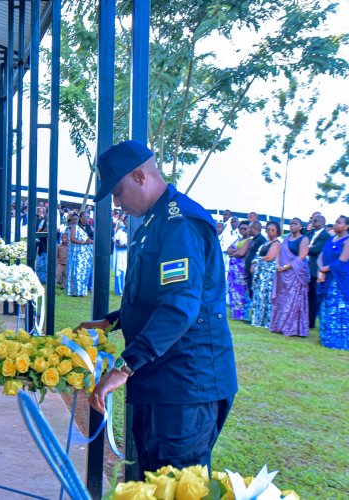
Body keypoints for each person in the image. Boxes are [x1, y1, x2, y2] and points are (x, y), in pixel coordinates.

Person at [78, 140, 237, 478]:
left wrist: (124, 367)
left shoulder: (181, 223)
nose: (117, 203)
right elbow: (153, 297)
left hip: (185, 383)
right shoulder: (156, 222)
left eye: (118, 192)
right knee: (151, 483)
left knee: (176, 486)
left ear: (139, 176)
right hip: (161, 378)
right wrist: (110, 321)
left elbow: (179, 307)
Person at [317, 216, 349, 351]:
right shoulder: (331, 239)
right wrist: (320, 270)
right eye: (335, 222)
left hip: (340, 280)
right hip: (327, 277)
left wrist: (324, 269)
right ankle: (326, 337)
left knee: (338, 307)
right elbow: (320, 257)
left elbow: (342, 261)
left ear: (346, 226)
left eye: (338, 222)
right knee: (326, 306)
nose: (335, 224)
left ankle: (338, 340)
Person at [270, 218, 309, 337]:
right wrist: (278, 265)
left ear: (301, 226)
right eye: (291, 224)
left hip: (295, 273)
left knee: (293, 299)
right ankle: (279, 325)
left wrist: (288, 266)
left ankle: (291, 328)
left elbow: (302, 256)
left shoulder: (304, 239)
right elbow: (279, 253)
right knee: (283, 299)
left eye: (295, 224)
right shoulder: (286, 238)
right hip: (283, 274)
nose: (292, 226)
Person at [250, 221, 281, 328]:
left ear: (277, 231)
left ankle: (265, 321)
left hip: (268, 275)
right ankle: (257, 319)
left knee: (265, 297)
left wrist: (255, 261)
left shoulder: (276, 243)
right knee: (258, 296)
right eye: (268, 230)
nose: (270, 232)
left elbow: (269, 257)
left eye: (273, 230)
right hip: (260, 274)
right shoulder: (266, 243)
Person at [306, 214, 331, 329]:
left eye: (315, 221)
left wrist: (307, 248)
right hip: (305, 269)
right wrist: (309, 247)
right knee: (307, 296)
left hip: (315, 270)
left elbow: (316, 250)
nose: (312, 222)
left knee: (315, 297)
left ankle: (313, 321)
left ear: (321, 222)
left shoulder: (325, 235)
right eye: (312, 220)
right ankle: (306, 319)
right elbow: (302, 244)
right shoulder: (310, 233)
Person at [226, 221, 252, 320]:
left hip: (242, 270)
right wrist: (236, 252)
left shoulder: (249, 241)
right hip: (234, 271)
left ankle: (243, 315)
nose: (243, 230)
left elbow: (242, 253)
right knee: (233, 291)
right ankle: (235, 314)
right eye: (241, 228)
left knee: (242, 292)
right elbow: (228, 250)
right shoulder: (238, 240)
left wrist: (233, 253)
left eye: (245, 228)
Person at [67, 211, 94, 297]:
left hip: (87, 254)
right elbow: (72, 239)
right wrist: (83, 242)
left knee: (85, 272)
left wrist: (91, 241)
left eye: (88, 217)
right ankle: (75, 291)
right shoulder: (76, 227)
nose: (86, 219)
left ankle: (83, 290)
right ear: (80, 218)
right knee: (77, 271)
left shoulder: (91, 228)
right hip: (77, 253)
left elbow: (94, 238)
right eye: (85, 217)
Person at [245, 221, 266, 300]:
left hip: (254, 271)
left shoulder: (261, 240)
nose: (248, 230)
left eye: (249, 228)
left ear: (253, 229)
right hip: (249, 271)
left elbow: (259, 256)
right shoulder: (254, 239)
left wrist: (253, 264)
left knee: (254, 293)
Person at [113, 215, 128, 296]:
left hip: (130, 254)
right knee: (121, 271)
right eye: (126, 221)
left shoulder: (134, 231)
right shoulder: (120, 231)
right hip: (122, 254)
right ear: (124, 222)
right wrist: (122, 246)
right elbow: (116, 243)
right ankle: (120, 290)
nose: (128, 222)